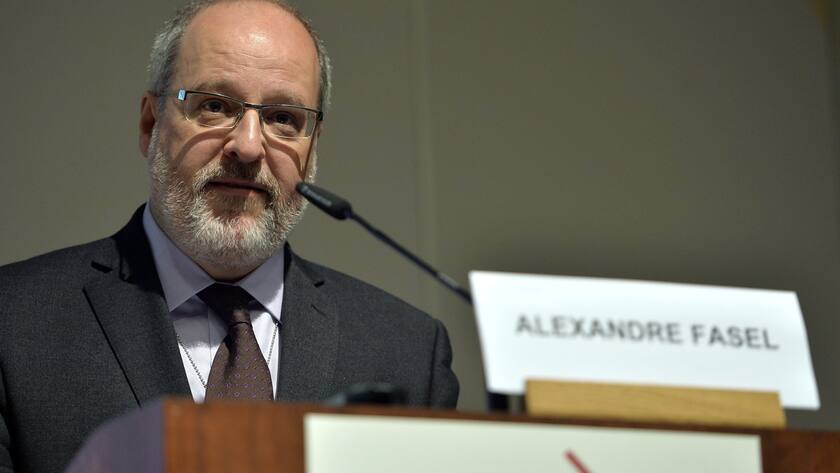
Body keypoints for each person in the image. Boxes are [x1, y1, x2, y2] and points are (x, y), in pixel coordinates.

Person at [0, 1, 459, 472]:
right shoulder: (14, 323)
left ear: (313, 146)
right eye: (215, 106)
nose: (249, 146)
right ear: (150, 124)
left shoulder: (406, 351)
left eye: (283, 118)